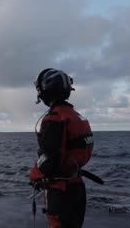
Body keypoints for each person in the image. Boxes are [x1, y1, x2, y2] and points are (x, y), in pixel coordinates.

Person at [29, 68, 95, 228]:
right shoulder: (77, 116)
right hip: (77, 187)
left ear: (44, 90)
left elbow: (50, 159)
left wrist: (34, 175)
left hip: (61, 191)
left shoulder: (55, 118)